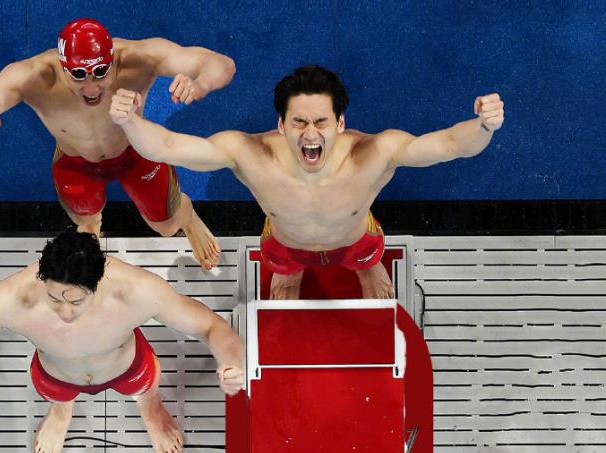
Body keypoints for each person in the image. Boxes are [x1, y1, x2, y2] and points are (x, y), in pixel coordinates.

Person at [110, 64, 504, 298]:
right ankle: (291, 271)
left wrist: (484, 125)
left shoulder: (375, 152)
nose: (310, 134)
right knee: (281, 259)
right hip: (285, 244)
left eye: (321, 122)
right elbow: (166, 147)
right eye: (299, 122)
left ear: (340, 123)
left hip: (355, 240)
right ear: (281, 124)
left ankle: (366, 267)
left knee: (366, 254)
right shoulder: (249, 153)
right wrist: (130, 122)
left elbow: (451, 144)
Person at [0, 18, 236, 269]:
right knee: (85, 221)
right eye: (78, 75)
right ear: (63, 67)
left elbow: (222, 64)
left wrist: (200, 84)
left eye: (101, 72)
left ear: (112, 60)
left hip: (135, 152)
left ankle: (188, 217)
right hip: (76, 162)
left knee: (167, 227)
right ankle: (91, 236)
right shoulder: (32, 76)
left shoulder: (139, 58)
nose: (91, 87)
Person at [0, 228, 244, 453]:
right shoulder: (12, 299)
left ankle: (150, 406)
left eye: (76, 301)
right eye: (54, 299)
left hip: (130, 370)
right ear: (42, 279)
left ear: (98, 283)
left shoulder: (135, 291)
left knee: (145, 390)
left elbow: (210, 327)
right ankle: (61, 410)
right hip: (54, 376)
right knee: (58, 397)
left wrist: (231, 362)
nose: (65, 313)